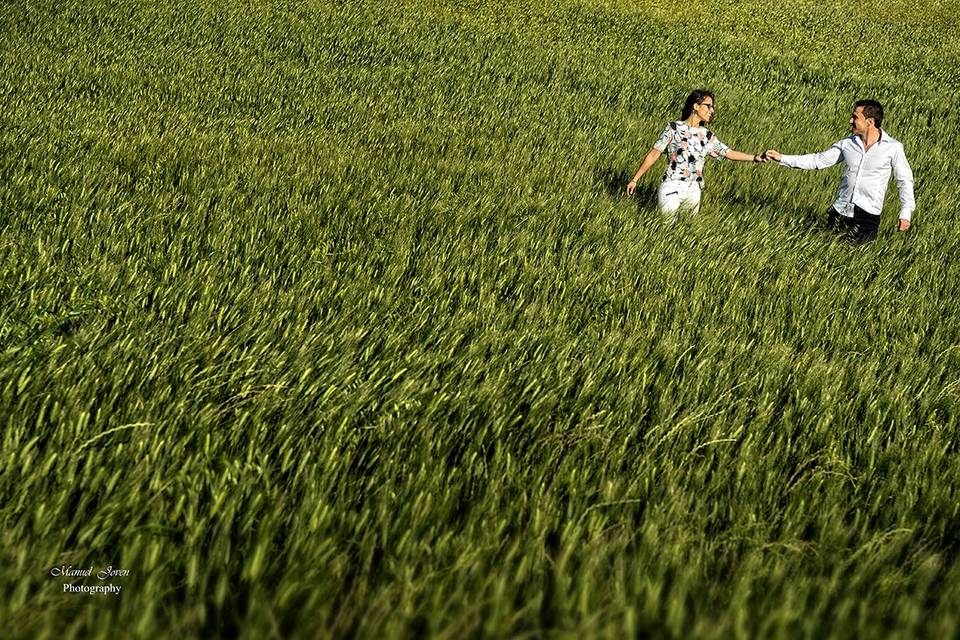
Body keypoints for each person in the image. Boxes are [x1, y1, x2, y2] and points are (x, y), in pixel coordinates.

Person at [763, 99, 915, 244]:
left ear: (870, 122)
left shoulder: (893, 148)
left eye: (855, 117)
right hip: (839, 211)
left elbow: (904, 180)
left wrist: (905, 213)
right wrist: (782, 158)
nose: (850, 120)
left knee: (859, 263)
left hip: (867, 216)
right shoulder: (847, 143)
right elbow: (818, 161)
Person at [626, 89, 766, 220]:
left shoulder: (707, 135)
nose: (712, 110)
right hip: (672, 185)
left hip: (694, 189)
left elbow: (728, 152)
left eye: (712, 107)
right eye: (708, 106)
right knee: (667, 226)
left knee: (687, 231)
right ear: (695, 106)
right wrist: (635, 179)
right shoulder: (674, 128)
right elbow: (654, 154)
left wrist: (754, 158)